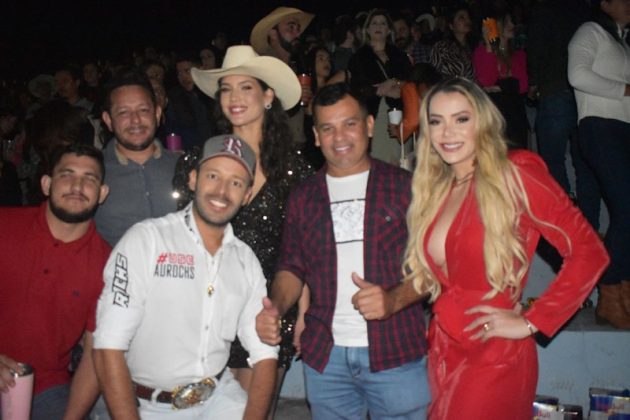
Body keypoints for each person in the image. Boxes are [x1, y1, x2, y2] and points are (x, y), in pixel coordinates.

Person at [403, 77, 609, 419]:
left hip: (493, 353)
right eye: (436, 121)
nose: (447, 132)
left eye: (461, 119)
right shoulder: (439, 189)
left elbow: (589, 251)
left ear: (482, 122)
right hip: (443, 348)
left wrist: (531, 321)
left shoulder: (514, 174)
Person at [256, 83, 430, 419]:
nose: (339, 137)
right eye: (327, 128)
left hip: (396, 350)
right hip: (327, 356)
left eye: (350, 124)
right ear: (316, 136)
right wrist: (275, 306)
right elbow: (291, 267)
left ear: (369, 125)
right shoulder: (304, 196)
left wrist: (393, 299)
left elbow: (435, 266)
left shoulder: (406, 187)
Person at [93, 134, 278, 419]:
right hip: (149, 406)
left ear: (247, 195)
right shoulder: (147, 240)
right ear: (193, 179)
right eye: (213, 176)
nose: (222, 191)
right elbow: (108, 346)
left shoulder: (245, 260)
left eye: (236, 183)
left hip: (218, 398)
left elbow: (265, 355)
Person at [190, 45, 312, 418]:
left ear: (268, 96)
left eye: (246, 87)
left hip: (270, 309)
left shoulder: (294, 168)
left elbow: (304, 247)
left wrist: (305, 312)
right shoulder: (201, 161)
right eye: (226, 89)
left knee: (255, 412)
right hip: (210, 309)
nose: (235, 98)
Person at [0, 144, 111, 419]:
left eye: (89, 178)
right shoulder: (6, 226)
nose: (77, 186)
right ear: (46, 184)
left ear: (102, 193)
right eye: (67, 174)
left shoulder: (107, 265)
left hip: (46, 387)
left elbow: (95, 355)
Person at [568, 0, 630, 329]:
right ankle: (608, 295)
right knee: (627, 209)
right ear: (604, 4)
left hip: (625, 129)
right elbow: (577, 75)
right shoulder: (590, 31)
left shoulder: (623, 43)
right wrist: (625, 89)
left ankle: (624, 292)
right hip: (600, 126)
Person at [94, 71, 179, 246]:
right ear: (108, 120)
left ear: (157, 113)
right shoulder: (93, 171)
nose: (135, 120)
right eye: (123, 112)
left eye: (143, 110)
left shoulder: (183, 166)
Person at [347, 8, 412, 165]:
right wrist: (379, 90)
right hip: (374, 114)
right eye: (374, 23)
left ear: (389, 30)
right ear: (367, 29)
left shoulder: (399, 55)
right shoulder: (359, 57)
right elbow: (355, 89)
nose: (378, 26)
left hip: (400, 113)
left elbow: (410, 81)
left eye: (382, 23)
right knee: (379, 161)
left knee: (402, 162)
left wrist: (395, 83)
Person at [473, 13, 529, 149]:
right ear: (498, 24)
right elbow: (487, 81)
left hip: (516, 116)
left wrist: (501, 86)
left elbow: (523, 86)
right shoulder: (482, 51)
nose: (512, 25)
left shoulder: (519, 54)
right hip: (495, 116)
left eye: (513, 21)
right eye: (508, 21)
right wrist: (489, 45)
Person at [429, 6, 475, 79]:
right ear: (451, 26)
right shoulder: (441, 47)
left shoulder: (473, 48)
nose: (467, 20)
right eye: (462, 18)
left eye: (468, 17)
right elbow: (433, 73)